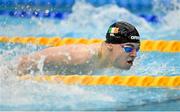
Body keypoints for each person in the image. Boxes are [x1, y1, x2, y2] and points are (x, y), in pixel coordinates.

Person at [17, 21, 140, 75]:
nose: (134, 54)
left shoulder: (117, 61)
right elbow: (26, 62)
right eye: (129, 48)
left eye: (137, 49)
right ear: (109, 45)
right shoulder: (80, 56)